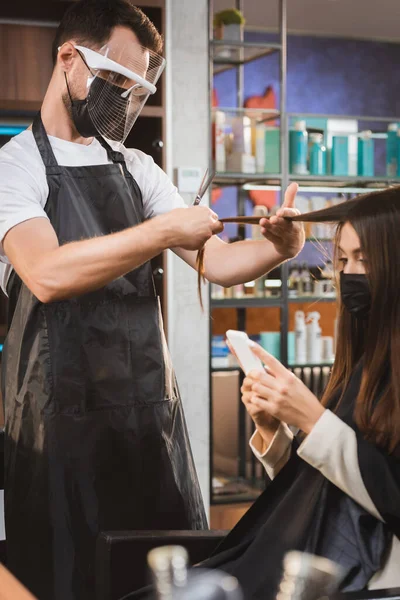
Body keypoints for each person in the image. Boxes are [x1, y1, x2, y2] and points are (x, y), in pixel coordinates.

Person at [0, 1, 304, 599]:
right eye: (115, 81)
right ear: (69, 59)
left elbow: (217, 262)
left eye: (136, 89)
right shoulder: (14, 168)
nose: (125, 101)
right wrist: (165, 231)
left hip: (147, 424)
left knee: (168, 581)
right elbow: (47, 274)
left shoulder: (137, 167)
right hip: (55, 430)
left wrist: (279, 251)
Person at [198, 187, 400, 600]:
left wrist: (313, 420)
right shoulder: (364, 363)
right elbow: (324, 492)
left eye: (364, 258)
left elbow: (386, 493)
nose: (349, 273)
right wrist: (274, 433)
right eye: (342, 260)